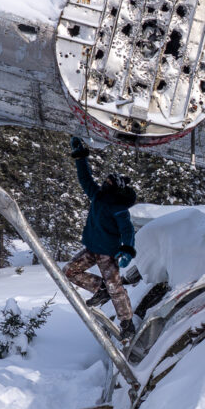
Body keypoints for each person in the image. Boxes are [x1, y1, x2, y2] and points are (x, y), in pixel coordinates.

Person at [65, 136, 138, 341]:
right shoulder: (97, 195)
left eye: (108, 182)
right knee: (69, 271)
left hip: (107, 253)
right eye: (105, 180)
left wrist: (127, 249)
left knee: (116, 289)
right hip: (91, 249)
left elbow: (128, 230)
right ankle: (99, 288)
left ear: (115, 187)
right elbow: (85, 179)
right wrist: (80, 157)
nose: (104, 183)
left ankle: (127, 324)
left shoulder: (118, 208)